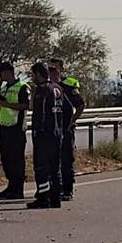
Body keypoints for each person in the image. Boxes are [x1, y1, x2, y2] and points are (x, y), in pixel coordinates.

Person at [0, 62, 30, 199]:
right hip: (4, 128)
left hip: (16, 129)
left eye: (2, 72)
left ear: (10, 72)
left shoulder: (22, 87)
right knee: (6, 160)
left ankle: (18, 189)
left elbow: (25, 105)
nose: (1, 75)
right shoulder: (5, 88)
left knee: (16, 160)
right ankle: (11, 187)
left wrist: (4, 103)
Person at [27, 63, 64, 209]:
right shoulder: (58, 88)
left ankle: (43, 198)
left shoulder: (42, 90)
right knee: (55, 167)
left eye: (33, 75)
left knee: (42, 167)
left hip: (44, 134)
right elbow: (65, 110)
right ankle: (56, 198)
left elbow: (39, 113)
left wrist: (37, 130)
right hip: (57, 133)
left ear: (38, 74)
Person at [49, 58, 86, 201]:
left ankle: (67, 190)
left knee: (66, 160)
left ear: (61, 69)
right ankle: (54, 189)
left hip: (65, 129)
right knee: (52, 160)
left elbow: (80, 105)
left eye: (54, 69)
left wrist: (72, 122)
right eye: (49, 69)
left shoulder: (68, 84)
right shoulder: (48, 86)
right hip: (52, 130)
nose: (52, 72)